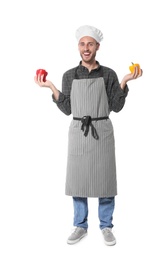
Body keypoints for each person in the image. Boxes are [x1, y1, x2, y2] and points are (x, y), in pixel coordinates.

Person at [34, 25, 143, 246]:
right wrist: (51, 87)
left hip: (102, 131)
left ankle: (106, 226)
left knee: (105, 180)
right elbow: (66, 109)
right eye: (83, 44)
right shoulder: (69, 75)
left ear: (97, 47)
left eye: (90, 44)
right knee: (78, 181)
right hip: (78, 133)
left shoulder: (109, 74)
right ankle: (80, 225)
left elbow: (116, 106)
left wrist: (124, 82)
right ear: (78, 47)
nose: (86, 48)